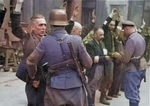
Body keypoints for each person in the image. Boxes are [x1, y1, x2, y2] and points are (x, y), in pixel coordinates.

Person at [26, 9, 92, 106]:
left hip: (54, 87)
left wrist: (32, 75)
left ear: (51, 25)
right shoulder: (77, 40)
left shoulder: (45, 41)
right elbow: (88, 63)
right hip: (75, 86)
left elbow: (31, 61)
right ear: (65, 24)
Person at [10, 0, 47, 105]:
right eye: (40, 25)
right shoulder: (27, 37)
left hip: (45, 80)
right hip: (32, 80)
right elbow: (16, 28)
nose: (43, 27)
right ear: (33, 27)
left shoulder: (47, 39)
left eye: (44, 24)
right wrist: (18, 5)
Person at [121, 21, 147, 106]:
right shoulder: (140, 37)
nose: (124, 32)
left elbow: (125, 59)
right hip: (141, 67)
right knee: (135, 91)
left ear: (127, 29)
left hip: (133, 70)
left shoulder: (131, 40)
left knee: (132, 95)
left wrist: (118, 56)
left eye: (124, 30)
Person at [85, 27, 113, 106]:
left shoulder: (101, 43)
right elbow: (91, 58)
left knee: (95, 87)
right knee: (91, 88)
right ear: (95, 35)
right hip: (94, 69)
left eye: (103, 35)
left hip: (101, 68)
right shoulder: (90, 44)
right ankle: (90, 104)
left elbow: (103, 53)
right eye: (100, 35)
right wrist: (104, 58)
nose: (102, 37)